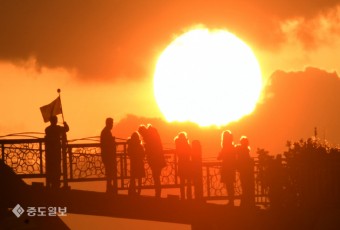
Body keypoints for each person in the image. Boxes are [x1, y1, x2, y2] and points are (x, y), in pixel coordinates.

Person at [138, 124, 166, 198]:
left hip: (155, 160)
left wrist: (146, 148)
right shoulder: (152, 132)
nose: (142, 136)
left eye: (141, 134)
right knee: (156, 176)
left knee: (156, 176)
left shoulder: (149, 136)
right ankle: (158, 193)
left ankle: (157, 194)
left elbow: (151, 148)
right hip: (158, 159)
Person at [45, 115, 69, 190]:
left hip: (49, 151)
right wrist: (65, 123)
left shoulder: (47, 129)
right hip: (56, 151)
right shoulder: (58, 128)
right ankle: (57, 182)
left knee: (50, 166)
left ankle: (50, 182)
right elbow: (67, 129)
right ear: (55, 121)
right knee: (57, 166)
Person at [217, 130, 236, 206]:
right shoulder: (232, 147)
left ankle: (230, 201)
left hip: (226, 167)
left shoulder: (225, 147)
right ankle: (232, 201)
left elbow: (219, 157)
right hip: (231, 168)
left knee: (228, 184)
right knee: (230, 184)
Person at [236, 136, 255, 208]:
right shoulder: (245, 150)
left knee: (245, 186)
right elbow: (247, 160)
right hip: (246, 171)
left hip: (243, 170)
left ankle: (244, 203)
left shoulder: (239, 149)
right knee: (246, 187)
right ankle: (246, 203)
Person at [100, 117, 117, 194]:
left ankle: (109, 187)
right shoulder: (106, 132)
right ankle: (110, 188)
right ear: (108, 123)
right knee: (110, 172)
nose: (112, 125)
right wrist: (113, 141)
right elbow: (108, 144)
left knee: (109, 172)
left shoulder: (105, 131)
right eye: (111, 123)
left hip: (106, 156)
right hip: (108, 156)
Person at [174, 132, 192, 200]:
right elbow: (191, 153)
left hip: (181, 164)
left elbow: (178, 153)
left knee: (182, 182)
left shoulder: (178, 145)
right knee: (188, 181)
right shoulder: (187, 145)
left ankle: (183, 197)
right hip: (187, 164)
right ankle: (189, 197)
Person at [127, 131, 145, 195]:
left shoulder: (131, 145)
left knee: (133, 178)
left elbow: (129, 153)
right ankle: (139, 192)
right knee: (139, 178)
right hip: (139, 163)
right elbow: (143, 154)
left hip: (133, 164)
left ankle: (132, 190)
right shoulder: (139, 145)